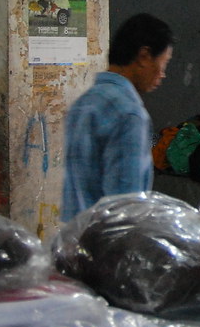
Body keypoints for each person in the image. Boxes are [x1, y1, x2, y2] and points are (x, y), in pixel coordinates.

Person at [61, 13, 174, 221]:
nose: (163, 74)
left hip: (74, 238)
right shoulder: (129, 113)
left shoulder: (84, 103)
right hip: (106, 246)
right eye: (164, 63)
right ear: (144, 56)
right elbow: (125, 208)